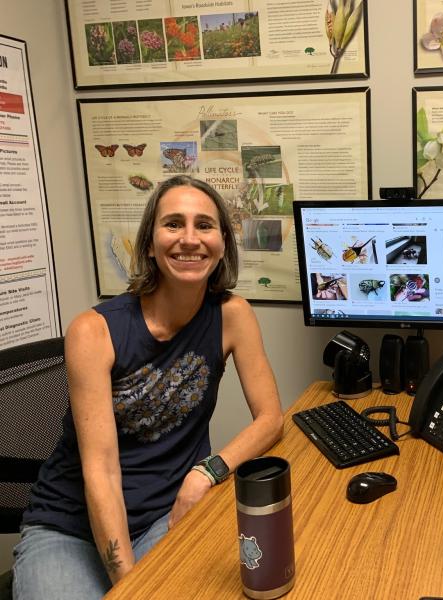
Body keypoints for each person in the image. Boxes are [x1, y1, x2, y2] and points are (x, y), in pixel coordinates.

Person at [13, 176, 284, 600]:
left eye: (205, 225)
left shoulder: (233, 316)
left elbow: (271, 419)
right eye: (173, 224)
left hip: (167, 511)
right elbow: (100, 473)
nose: (190, 239)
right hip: (70, 527)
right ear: (149, 243)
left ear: (223, 242)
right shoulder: (94, 331)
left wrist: (205, 472)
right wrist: (131, 584)